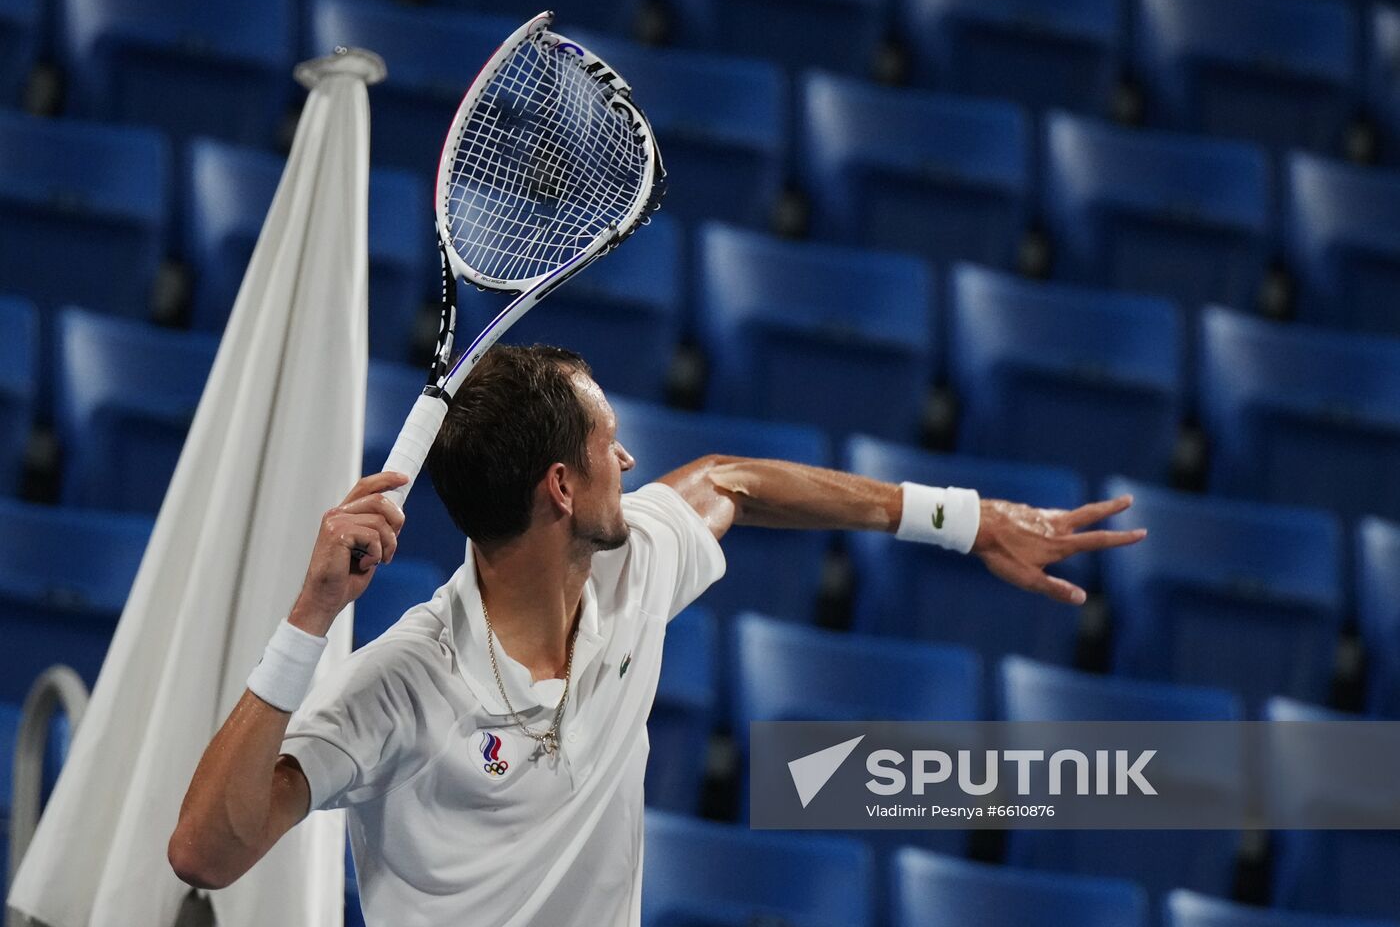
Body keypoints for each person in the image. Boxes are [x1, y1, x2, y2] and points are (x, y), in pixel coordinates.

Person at [168, 344, 1146, 926]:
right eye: (607, 446)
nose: (630, 460)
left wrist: (966, 520)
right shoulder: (403, 684)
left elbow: (729, 481)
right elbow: (206, 853)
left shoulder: (634, 566)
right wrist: (308, 622)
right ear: (560, 487)